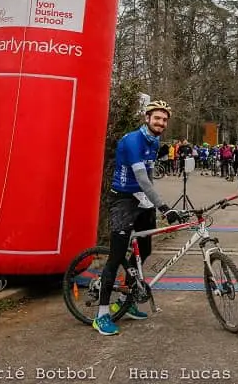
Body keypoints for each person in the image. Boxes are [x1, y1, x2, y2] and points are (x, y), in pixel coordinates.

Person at [93, 100, 185, 336]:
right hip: (123, 199)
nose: (161, 123)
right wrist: (164, 206)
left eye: (164, 119)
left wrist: (151, 201)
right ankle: (102, 314)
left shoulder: (154, 141)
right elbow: (142, 178)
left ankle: (129, 298)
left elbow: (150, 175)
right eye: (157, 118)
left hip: (142, 199)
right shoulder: (133, 140)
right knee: (115, 257)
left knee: (144, 250)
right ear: (147, 118)